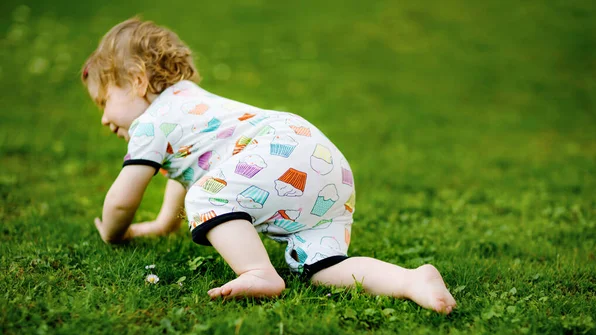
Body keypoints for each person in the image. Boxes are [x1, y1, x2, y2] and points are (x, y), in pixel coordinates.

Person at [82, 17, 457, 314]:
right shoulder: (187, 104)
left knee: (206, 195)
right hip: (324, 165)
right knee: (323, 270)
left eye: (104, 101)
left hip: (278, 152)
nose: (102, 118)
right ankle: (411, 281)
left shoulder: (151, 122)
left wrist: (114, 233)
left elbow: (121, 201)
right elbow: (186, 171)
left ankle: (258, 272)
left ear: (136, 81)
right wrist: (166, 223)